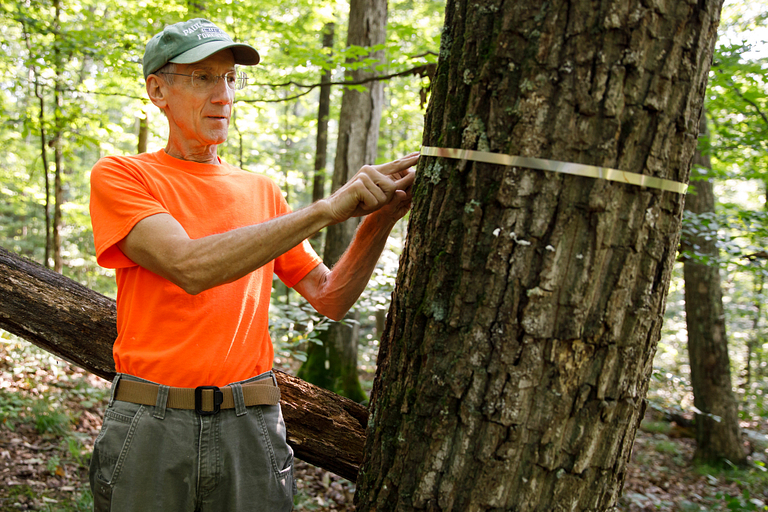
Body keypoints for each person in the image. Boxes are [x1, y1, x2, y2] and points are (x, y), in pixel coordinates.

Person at [88, 18, 417, 512]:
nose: (223, 95)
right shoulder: (124, 175)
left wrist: (379, 221)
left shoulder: (261, 190)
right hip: (151, 424)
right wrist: (328, 208)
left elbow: (329, 296)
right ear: (158, 90)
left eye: (229, 78)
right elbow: (188, 266)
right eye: (202, 78)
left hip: (250, 422)